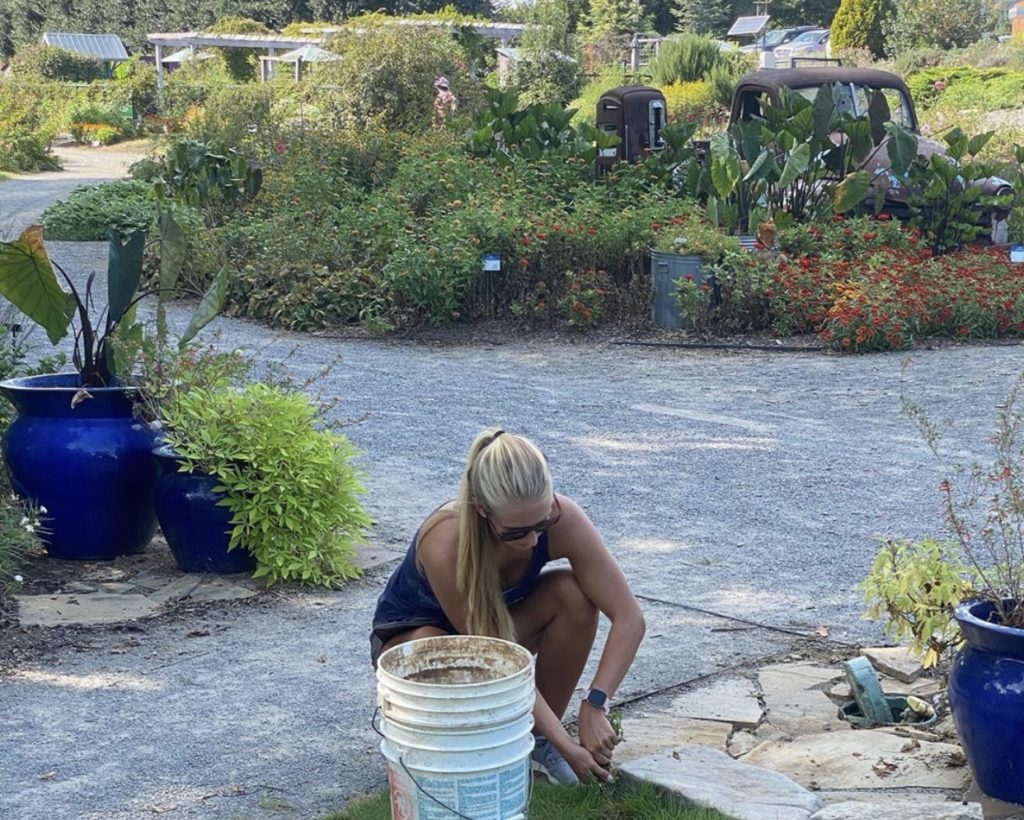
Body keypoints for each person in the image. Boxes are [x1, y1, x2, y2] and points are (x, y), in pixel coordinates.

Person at [370, 427, 646, 785]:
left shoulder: (565, 518)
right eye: (515, 533)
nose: (532, 541)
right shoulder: (445, 542)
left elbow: (630, 618)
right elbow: (492, 656)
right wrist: (569, 744)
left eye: (541, 524)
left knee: (573, 596)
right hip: (425, 645)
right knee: (433, 642)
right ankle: (499, 743)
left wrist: (595, 703)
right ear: (482, 510)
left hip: (498, 631)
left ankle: (537, 744)